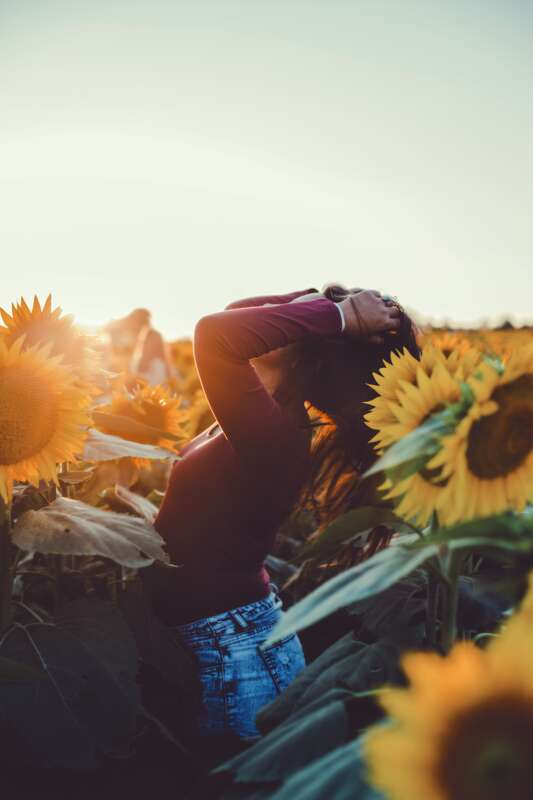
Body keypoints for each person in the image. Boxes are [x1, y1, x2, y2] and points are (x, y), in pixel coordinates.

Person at [144, 285, 419, 742]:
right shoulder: (257, 412)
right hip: (225, 643)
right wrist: (314, 297)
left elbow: (216, 333)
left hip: (241, 656)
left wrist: (343, 313)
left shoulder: (277, 435)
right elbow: (230, 314)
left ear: (306, 354)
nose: (283, 319)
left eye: (308, 316)